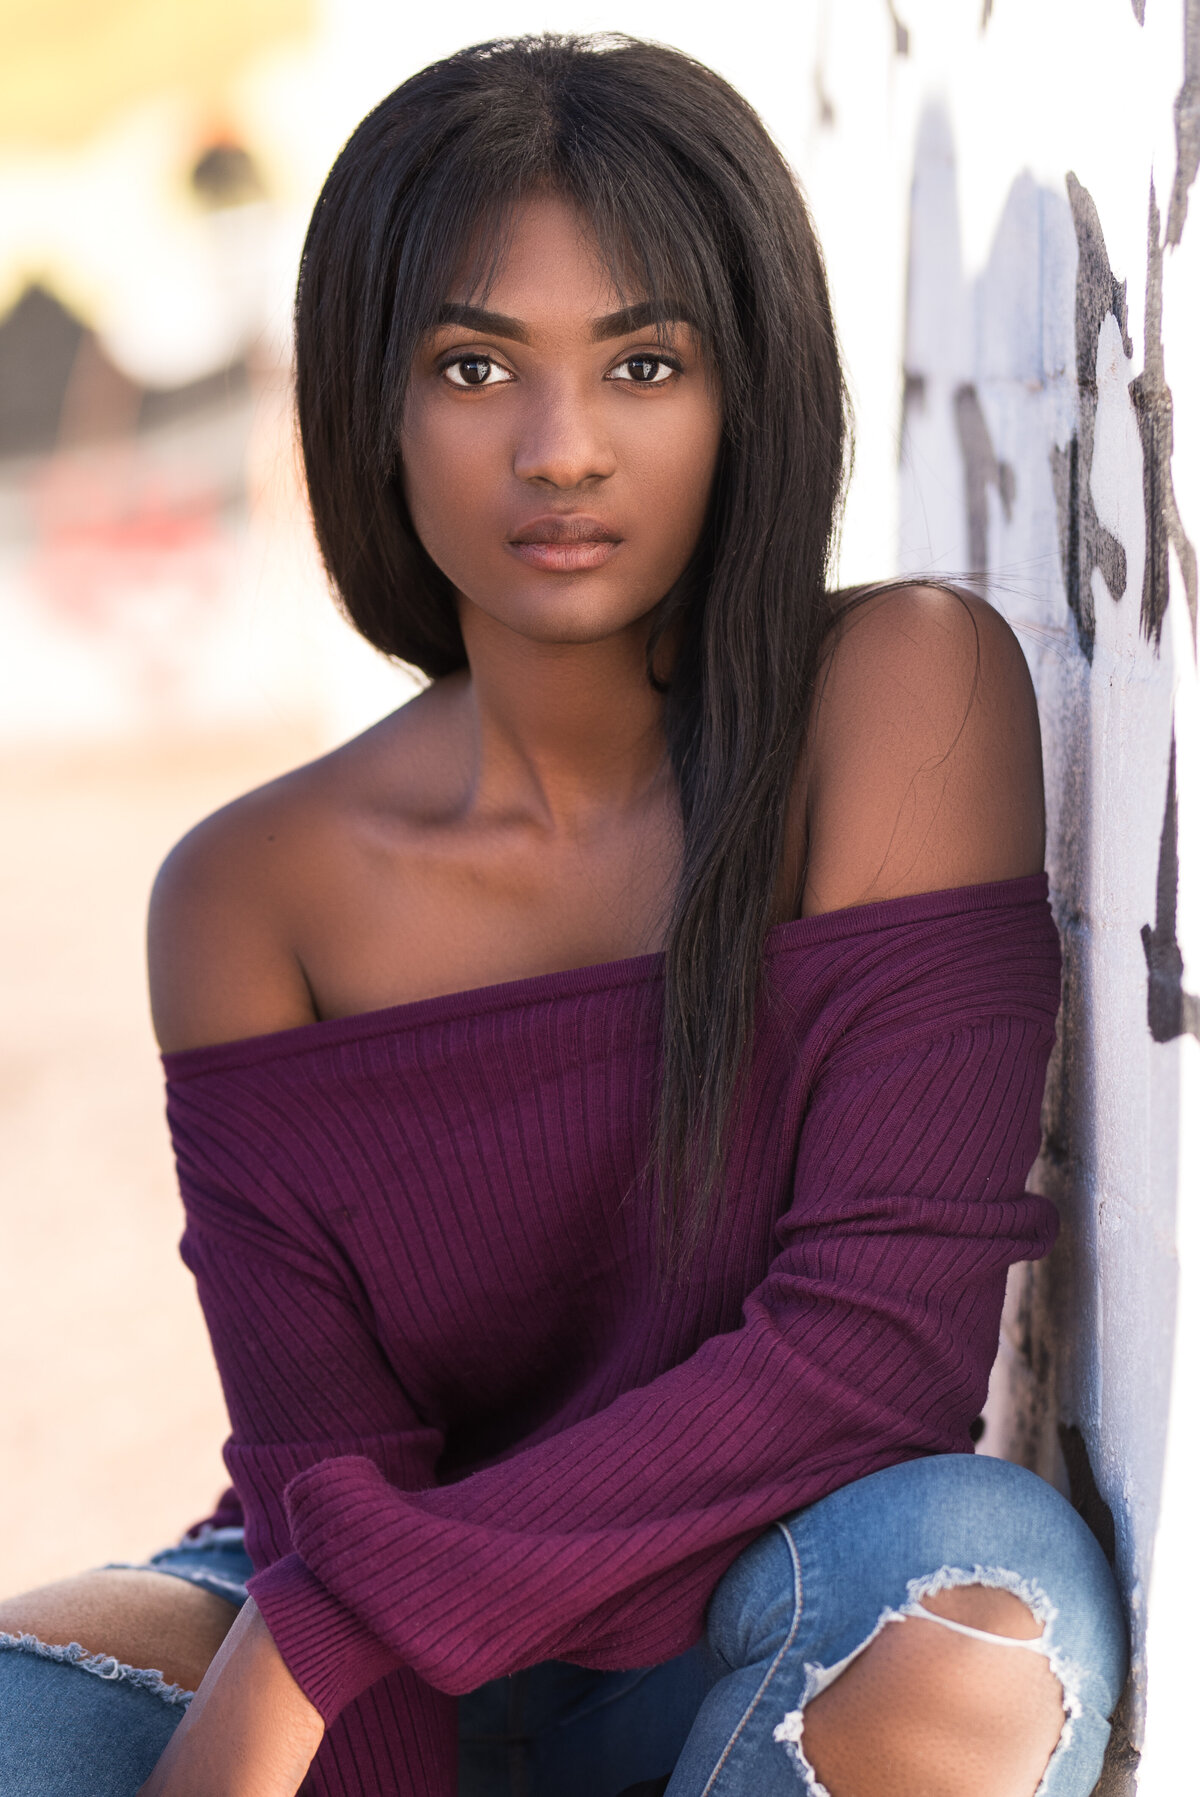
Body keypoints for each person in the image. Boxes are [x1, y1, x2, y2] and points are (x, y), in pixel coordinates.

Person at [0, 33, 1125, 1797]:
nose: (563, 449)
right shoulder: (252, 893)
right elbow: (322, 1468)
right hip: (380, 1636)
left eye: (645, 361)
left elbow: (873, 1361)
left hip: (762, 1608)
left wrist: (329, 1623)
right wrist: (328, 1634)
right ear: (370, 400)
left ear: (745, 386)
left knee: (982, 1590)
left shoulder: (907, 698)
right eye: (473, 365)